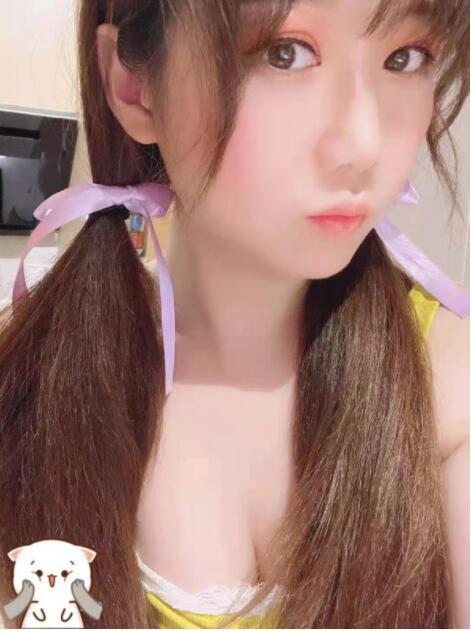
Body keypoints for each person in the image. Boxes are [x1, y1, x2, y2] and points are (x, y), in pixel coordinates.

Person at [0, 0, 469, 628]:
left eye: (405, 58)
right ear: (135, 87)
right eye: (284, 54)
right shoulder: (24, 390)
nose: (364, 144)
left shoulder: (450, 385)